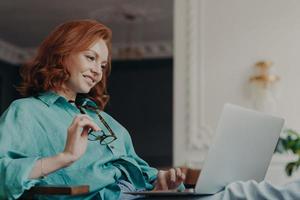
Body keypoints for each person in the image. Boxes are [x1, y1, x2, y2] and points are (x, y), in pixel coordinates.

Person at [0, 19, 185, 200]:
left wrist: (161, 185)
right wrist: (65, 157)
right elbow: (3, 175)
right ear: (61, 54)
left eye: (103, 65)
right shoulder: (27, 112)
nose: (97, 70)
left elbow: (142, 172)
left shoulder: (106, 120)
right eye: (90, 58)